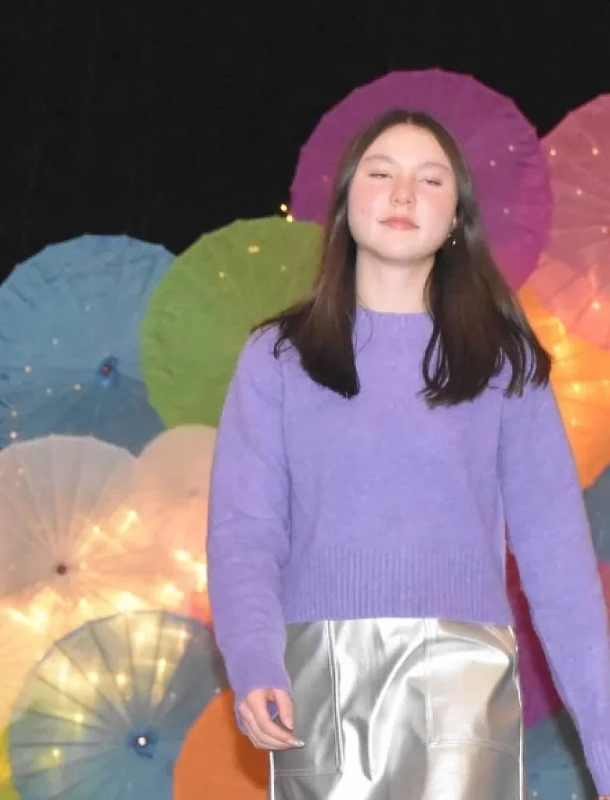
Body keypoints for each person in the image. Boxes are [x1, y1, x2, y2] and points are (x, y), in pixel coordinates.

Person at [208, 109, 610, 799]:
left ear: (456, 218)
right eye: (381, 173)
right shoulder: (276, 359)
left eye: (430, 180)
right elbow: (244, 533)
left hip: (465, 682)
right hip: (320, 677)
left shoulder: (506, 366)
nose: (402, 195)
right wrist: (255, 661)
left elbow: (560, 567)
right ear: (345, 203)